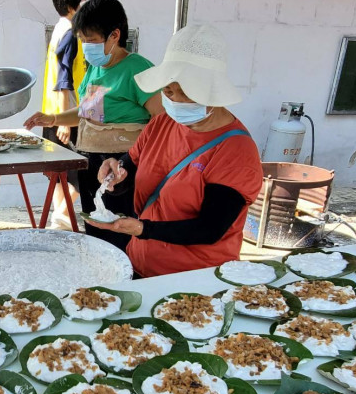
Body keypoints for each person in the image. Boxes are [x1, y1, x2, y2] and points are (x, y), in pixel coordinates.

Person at [87, 24, 263, 277]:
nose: (176, 101)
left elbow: (210, 228)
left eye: (189, 94)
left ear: (212, 93)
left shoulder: (236, 150)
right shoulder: (162, 123)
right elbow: (131, 171)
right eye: (169, 91)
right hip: (141, 265)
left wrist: (142, 229)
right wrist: (116, 172)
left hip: (195, 279)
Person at [25, 0, 163, 251]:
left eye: (92, 40)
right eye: (83, 39)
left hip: (125, 165)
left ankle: (126, 278)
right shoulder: (96, 69)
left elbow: (162, 120)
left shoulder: (138, 69)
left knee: (120, 229)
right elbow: (87, 111)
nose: (86, 46)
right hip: (92, 159)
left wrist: (132, 161)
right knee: (95, 223)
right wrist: (54, 118)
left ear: (115, 35)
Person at [41, 0, 87, 230]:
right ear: (72, 4)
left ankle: (60, 223)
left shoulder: (59, 29)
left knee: (60, 176)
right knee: (79, 174)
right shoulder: (71, 32)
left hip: (53, 113)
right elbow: (63, 81)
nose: (86, 4)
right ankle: (61, 218)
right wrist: (64, 122)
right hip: (67, 115)